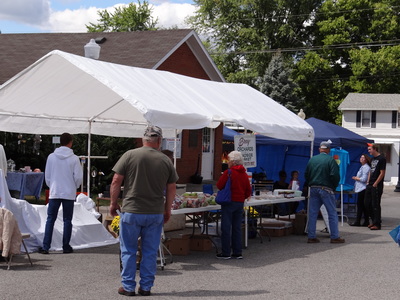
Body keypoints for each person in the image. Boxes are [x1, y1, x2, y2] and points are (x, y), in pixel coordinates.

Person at [110, 125, 178, 297]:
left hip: (132, 210)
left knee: (129, 250)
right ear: (159, 141)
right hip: (155, 212)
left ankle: (128, 286)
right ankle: (146, 286)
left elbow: (116, 180)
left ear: (143, 139)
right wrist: (167, 209)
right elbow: (171, 188)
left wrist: (113, 203)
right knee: (149, 251)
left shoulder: (130, 155)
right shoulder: (165, 161)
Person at [39, 133, 83, 254]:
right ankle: (66, 246)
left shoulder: (51, 157)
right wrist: (74, 186)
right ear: (70, 142)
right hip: (68, 192)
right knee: (67, 219)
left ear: (60, 142)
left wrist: (52, 185)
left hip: (55, 191)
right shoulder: (74, 158)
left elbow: (47, 176)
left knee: (50, 219)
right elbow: (78, 177)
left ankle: (45, 246)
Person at [304, 141, 345, 244]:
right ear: (328, 150)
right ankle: (334, 236)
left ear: (319, 149)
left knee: (313, 213)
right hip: (326, 189)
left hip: (313, 188)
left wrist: (310, 183)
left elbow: (306, 174)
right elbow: (335, 175)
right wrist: (333, 186)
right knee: (332, 213)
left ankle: (311, 236)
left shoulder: (312, 160)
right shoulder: (331, 160)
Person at [216, 151, 251, 259]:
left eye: (228, 161)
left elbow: (219, 185)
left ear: (232, 162)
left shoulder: (229, 172)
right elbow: (248, 191)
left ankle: (226, 252)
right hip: (239, 202)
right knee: (237, 228)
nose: (227, 163)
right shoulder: (244, 174)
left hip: (228, 201)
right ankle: (237, 252)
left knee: (226, 227)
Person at [364, 144, 386, 230]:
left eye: (369, 149)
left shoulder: (381, 159)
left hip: (376, 184)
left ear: (374, 149)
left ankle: (377, 224)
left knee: (375, 204)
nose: (368, 151)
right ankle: (373, 220)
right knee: (367, 203)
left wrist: (376, 183)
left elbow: (382, 172)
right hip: (370, 183)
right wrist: (368, 181)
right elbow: (371, 170)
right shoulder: (372, 159)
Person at [350, 154, 371, 227]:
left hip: (363, 188)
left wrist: (356, 178)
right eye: (361, 157)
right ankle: (366, 221)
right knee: (363, 205)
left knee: (360, 205)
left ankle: (358, 221)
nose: (361, 159)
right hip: (360, 188)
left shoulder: (366, 168)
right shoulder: (362, 167)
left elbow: (364, 179)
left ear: (366, 159)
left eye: (363, 158)